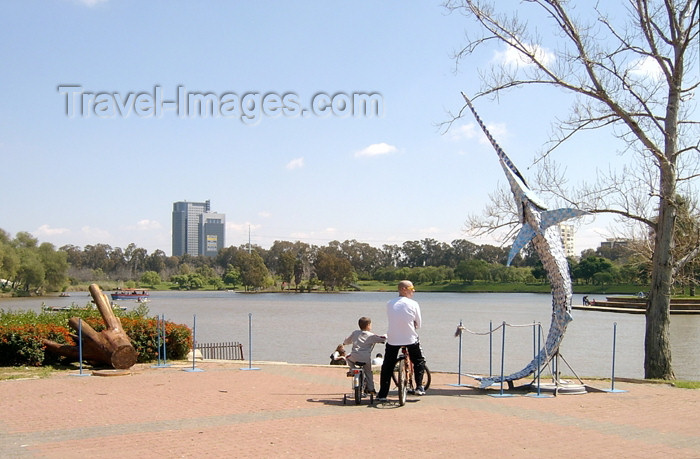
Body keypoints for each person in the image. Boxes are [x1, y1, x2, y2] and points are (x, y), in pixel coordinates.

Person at [377, 280, 427, 402]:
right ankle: (419, 386)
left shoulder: (389, 303)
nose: (413, 291)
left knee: (387, 365)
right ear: (404, 289)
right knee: (419, 361)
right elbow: (419, 324)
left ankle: (382, 394)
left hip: (393, 339)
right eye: (411, 288)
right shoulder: (413, 304)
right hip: (410, 338)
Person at [342, 316, 386, 394]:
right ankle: (371, 389)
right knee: (368, 372)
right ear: (368, 325)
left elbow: (347, 340)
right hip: (365, 358)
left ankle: (352, 370)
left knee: (347, 357)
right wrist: (386, 336)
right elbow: (382, 338)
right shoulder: (371, 335)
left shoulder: (355, 333)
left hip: (354, 356)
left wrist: (345, 343)